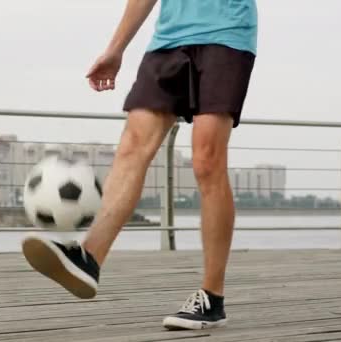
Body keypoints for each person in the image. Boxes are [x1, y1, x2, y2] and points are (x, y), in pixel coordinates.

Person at [21, 0, 257, 330]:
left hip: (226, 35)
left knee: (207, 160)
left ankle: (212, 297)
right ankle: (89, 258)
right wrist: (116, 49)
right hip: (167, 42)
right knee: (132, 145)